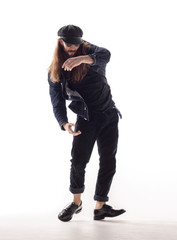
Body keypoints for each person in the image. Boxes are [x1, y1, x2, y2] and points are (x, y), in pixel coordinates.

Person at [48, 24, 125, 221]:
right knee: (79, 162)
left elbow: (106, 54)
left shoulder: (90, 51)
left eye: (76, 43)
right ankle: (76, 203)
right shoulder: (56, 70)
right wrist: (64, 123)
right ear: (60, 42)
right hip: (86, 119)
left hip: (109, 115)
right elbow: (56, 100)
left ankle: (100, 206)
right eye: (68, 44)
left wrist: (82, 58)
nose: (72, 47)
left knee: (108, 160)